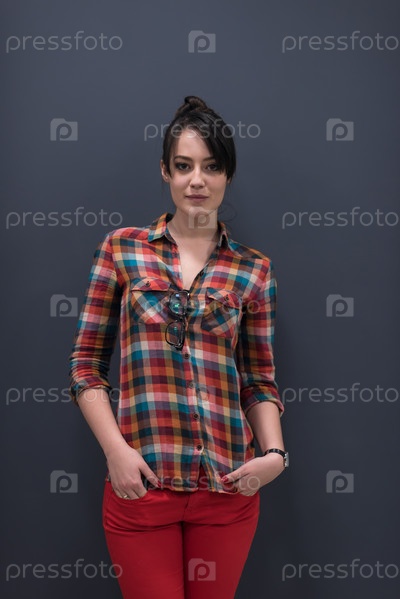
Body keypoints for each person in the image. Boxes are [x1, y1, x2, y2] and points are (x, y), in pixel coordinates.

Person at [68, 95, 288, 599]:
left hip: (229, 487)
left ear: (228, 174)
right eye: (184, 166)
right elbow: (86, 364)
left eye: (211, 167)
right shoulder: (121, 249)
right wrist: (116, 452)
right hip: (143, 484)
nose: (197, 181)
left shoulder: (254, 270)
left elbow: (258, 379)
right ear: (165, 171)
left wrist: (275, 455)